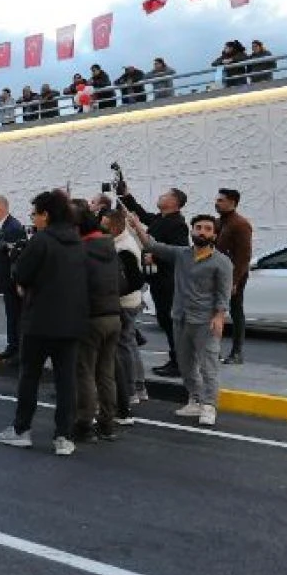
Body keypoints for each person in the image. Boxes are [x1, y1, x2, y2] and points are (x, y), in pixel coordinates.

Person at [0, 190, 89, 456]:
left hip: (40, 320)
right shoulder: (78, 242)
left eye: (35, 214)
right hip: (71, 322)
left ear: (45, 215)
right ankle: (63, 436)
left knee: (30, 376)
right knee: (66, 380)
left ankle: (22, 429)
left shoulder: (41, 240)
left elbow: (21, 273)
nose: (33, 219)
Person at [128, 212, 233, 427]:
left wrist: (219, 317)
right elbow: (152, 245)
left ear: (214, 235)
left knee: (208, 365)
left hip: (205, 321)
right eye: (198, 228)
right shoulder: (182, 254)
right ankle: (195, 399)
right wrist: (137, 225)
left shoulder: (221, 262)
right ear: (192, 230)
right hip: (180, 318)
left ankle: (209, 405)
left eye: (207, 229)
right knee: (185, 365)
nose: (202, 232)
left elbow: (224, 294)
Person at [118, 183, 189, 376]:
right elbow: (141, 214)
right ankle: (176, 360)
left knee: (170, 321)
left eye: (165, 195)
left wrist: (156, 257)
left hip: (168, 281)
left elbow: (179, 251)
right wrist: (126, 195)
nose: (161, 196)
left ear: (174, 202)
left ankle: (179, 363)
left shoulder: (178, 224)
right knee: (164, 320)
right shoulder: (161, 218)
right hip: (158, 279)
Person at [74, 202, 123, 443]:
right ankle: (108, 424)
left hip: (91, 317)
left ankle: (84, 423)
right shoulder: (109, 247)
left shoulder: (81, 250)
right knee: (106, 373)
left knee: (84, 372)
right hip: (113, 315)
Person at [104, 208, 149, 413]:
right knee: (128, 344)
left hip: (125, 304)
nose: (101, 227)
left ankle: (131, 390)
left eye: (104, 224)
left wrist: (113, 292)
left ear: (114, 226)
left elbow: (135, 280)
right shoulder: (120, 243)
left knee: (124, 347)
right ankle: (138, 387)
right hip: (126, 302)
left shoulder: (124, 248)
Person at [215, 188, 254, 365]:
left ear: (232, 202)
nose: (217, 203)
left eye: (221, 200)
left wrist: (235, 280)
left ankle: (237, 353)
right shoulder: (219, 222)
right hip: (216, 273)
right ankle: (213, 351)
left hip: (233, 276)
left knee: (235, 311)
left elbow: (244, 256)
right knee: (214, 311)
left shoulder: (240, 224)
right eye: (217, 200)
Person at [0, 195, 25, 361]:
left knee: (16, 315)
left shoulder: (13, 228)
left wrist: (17, 282)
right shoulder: (1, 226)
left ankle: (16, 350)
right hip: (6, 281)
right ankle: (12, 346)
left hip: (12, 282)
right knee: (11, 314)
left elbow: (17, 257)